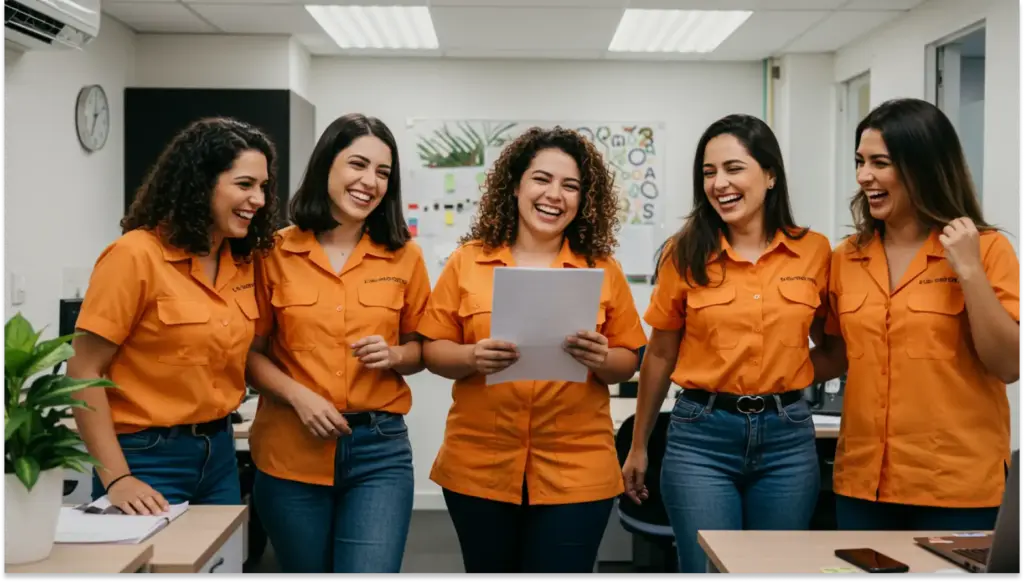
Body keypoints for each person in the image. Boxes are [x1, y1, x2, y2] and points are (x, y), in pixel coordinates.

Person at [417, 127, 647, 575]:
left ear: (584, 199)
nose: (554, 195)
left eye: (571, 185)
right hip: (479, 466)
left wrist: (602, 359)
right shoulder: (468, 260)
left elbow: (628, 360)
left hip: (577, 470)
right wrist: (471, 358)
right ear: (516, 185)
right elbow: (432, 349)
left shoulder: (602, 267)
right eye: (542, 179)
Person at [622, 114, 831, 573]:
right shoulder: (685, 252)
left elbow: (835, 343)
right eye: (709, 172)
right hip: (702, 437)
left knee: (775, 570)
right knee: (704, 567)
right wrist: (639, 444)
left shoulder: (814, 251)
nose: (720, 183)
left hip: (787, 440)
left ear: (770, 174)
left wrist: (789, 374)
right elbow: (660, 352)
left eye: (734, 168)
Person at [812, 98, 1021, 531]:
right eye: (859, 161)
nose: (863, 175)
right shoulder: (845, 258)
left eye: (879, 162)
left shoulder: (987, 249)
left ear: (922, 167)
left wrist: (969, 273)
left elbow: (1009, 364)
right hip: (862, 484)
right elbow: (833, 354)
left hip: (956, 487)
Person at [245, 113, 429, 574]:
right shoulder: (272, 251)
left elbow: (420, 350)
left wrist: (395, 355)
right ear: (327, 164)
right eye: (358, 165)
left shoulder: (405, 255)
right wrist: (298, 395)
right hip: (290, 445)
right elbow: (249, 354)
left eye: (383, 173)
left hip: (378, 450)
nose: (370, 181)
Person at [68, 118, 277, 515]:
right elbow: (82, 371)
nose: (259, 200)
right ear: (201, 183)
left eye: (263, 187)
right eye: (245, 184)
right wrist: (117, 477)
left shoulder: (244, 263)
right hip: (145, 458)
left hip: (219, 454)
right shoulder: (135, 256)